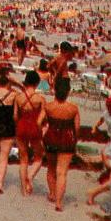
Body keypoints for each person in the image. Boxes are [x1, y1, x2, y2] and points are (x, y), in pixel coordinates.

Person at [42, 77, 80, 211]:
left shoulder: (48, 106)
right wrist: (75, 141)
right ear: (68, 91)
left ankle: (52, 194)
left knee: (51, 168)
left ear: (55, 90)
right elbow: (76, 128)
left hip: (51, 137)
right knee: (62, 172)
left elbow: (39, 122)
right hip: (66, 139)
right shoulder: (73, 108)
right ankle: (58, 202)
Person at [14, 70, 46, 196]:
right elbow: (42, 118)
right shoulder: (40, 99)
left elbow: (15, 116)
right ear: (37, 83)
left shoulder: (18, 97)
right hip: (34, 127)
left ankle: (23, 189)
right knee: (39, 156)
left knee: (23, 159)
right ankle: (30, 177)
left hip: (21, 125)